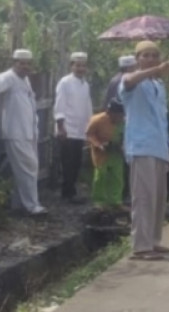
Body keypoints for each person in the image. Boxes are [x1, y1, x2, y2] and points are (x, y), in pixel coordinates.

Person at [120, 40, 169, 261]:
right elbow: (129, 80)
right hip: (141, 146)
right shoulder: (131, 81)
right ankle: (141, 246)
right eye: (146, 56)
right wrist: (155, 71)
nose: (151, 59)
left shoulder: (158, 86)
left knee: (159, 197)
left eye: (154, 55)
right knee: (143, 197)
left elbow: (162, 120)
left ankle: (153, 240)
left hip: (159, 146)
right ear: (137, 59)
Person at [0, 49, 46, 215]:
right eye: (21, 63)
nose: (25, 66)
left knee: (25, 168)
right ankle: (32, 205)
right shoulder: (7, 78)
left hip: (28, 130)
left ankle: (18, 204)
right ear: (14, 63)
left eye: (27, 63)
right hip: (15, 131)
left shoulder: (25, 79)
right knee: (28, 167)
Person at [54, 52, 93, 203]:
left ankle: (72, 191)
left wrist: (90, 127)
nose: (80, 68)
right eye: (77, 65)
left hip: (80, 129)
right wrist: (61, 127)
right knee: (68, 163)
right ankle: (66, 193)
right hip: (67, 129)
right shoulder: (65, 82)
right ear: (71, 66)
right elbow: (59, 105)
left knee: (77, 162)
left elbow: (87, 107)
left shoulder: (85, 84)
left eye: (83, 65)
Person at [86, 98, 125, 209]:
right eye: (117, 115)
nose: (118, 118)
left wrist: (123, 146)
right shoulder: (97, 120)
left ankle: (116, 200)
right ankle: (99, 201)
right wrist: (98, 144)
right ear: (110, 113)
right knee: (100, 176)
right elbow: (89, 134)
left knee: (117, 177)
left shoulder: (123, 122)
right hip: (102, 152)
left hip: (116, 151)